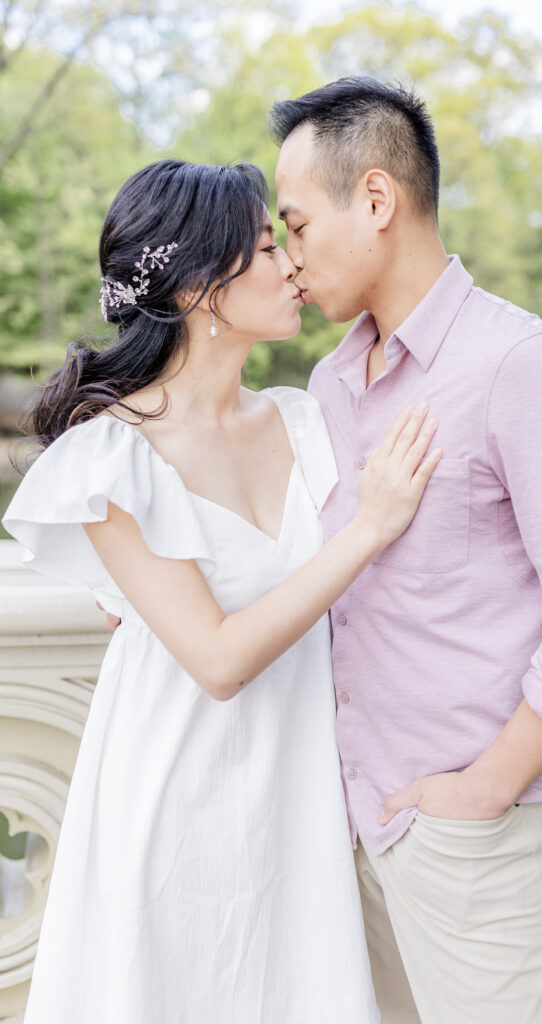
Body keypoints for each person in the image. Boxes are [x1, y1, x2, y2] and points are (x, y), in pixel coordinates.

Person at [2, 158, 443, 1024]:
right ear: (203, 288)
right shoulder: (110, 457)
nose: (293, 266)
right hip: (171, 787)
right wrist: (367, 528)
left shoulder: (306, 420)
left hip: (300, 797)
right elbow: (215, 658)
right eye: (269, 248)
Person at [268, 77, 542, 1024]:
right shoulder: (329, 384)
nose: (289, 258)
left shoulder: (520, 368)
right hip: (349, 833)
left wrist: (483, 789)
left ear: (375, 200)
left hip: (473, 837)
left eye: (294, 224)